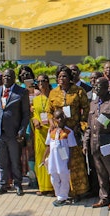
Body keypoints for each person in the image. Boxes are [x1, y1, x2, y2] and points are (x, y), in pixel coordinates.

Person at [48, 66, 90, 199]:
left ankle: (78, 191)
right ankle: (63, 192)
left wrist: (81, 125)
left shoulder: (78, 91)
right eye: (59, 76)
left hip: (74, 131)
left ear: (70, 77)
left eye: (64, 76)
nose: (62, 79)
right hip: (59, 134)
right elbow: (49, 111)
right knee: (62, 161)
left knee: (74, 161)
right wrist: (53, 124)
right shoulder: (53, 93)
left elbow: (86, 109)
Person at [0, 69, 29, 196]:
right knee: (2, 161)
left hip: (14, 133)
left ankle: (18, 184)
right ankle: (3, 185)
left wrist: (22, 130)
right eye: (4, 76)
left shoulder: (22, 92)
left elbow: (26, 114)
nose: (6, 78)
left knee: (15, 161)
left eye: (9, 76)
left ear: (14, 77)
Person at [86, 77, 110, 210]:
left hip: (108, 144)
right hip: (94, 143)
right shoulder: (93, 103)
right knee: (100, 173)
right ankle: (103, 198)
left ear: (106, 87)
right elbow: (88, 126)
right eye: (95, 86)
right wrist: (86, 143)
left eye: (99, 86)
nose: (96, 89)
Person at [43, 109, 78, 207]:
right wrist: (44, 158)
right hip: (53, 159)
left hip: (63, 159)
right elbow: (48, 146)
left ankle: (63, 197)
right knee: (54, 178)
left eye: (62, 117)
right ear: (54, 119)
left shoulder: (68, 132)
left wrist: (69, 161)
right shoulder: (51, 131)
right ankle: (58, 195)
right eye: (57, 118)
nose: (60, 119)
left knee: (64, 177)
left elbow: (71, 148)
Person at [29, 74, 53, 195]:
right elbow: (33, 114)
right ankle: (43, 186)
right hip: (40, 132)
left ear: (48, 82)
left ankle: (53, 187)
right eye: (38, 82)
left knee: (51, 158)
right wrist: (34, 120)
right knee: (40, 157)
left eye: (43, 81)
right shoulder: (35, 99)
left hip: (51, 131)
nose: (41, 83)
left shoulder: (53, 96)